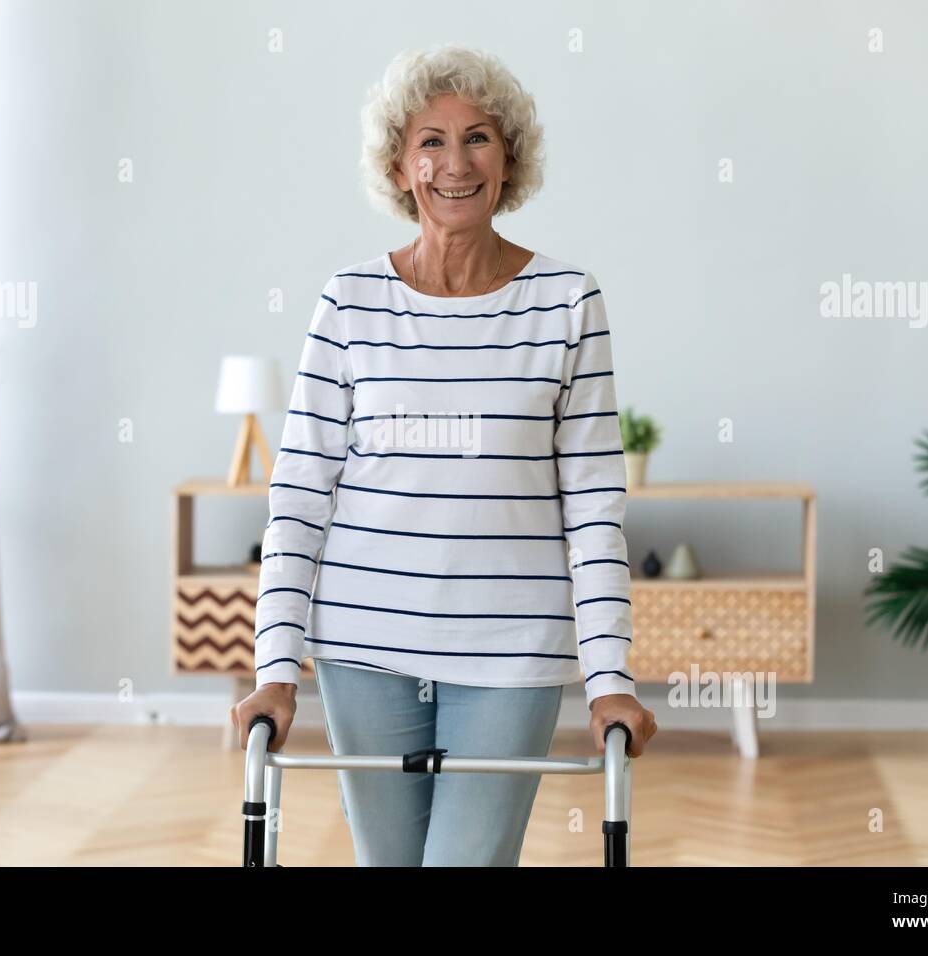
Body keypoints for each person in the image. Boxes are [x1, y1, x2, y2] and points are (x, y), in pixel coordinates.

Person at [230, 44, 656, 866]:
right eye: (430, 140)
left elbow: (595, 510)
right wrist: (276, 669)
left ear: (511, 159)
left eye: (479, 138)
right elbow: (298, 499)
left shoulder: (568, 301)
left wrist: (610, 681)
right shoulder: (348, 301)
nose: (454, 163)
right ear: (398, 165)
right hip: (363, 646)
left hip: (513, 651)